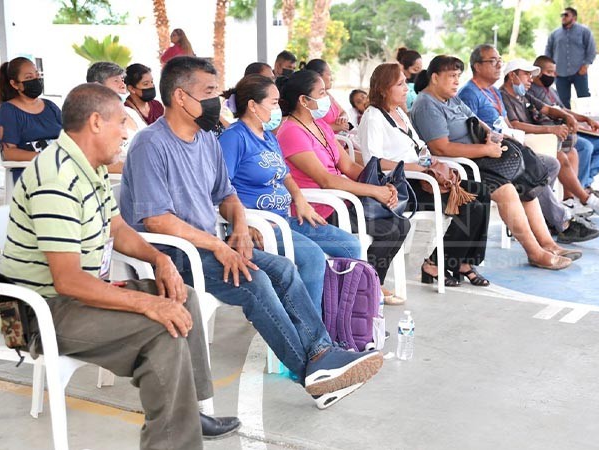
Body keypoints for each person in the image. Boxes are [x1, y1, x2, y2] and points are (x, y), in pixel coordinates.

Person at [119, 56, 384, 409]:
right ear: (181, 97)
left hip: (207, 246)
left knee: (286, 270)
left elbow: (227, 194)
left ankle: (322, 353)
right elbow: (156, 220)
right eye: (209, 91)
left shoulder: (206, 140)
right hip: (170, 254)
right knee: (255, 283)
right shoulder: (151, 144)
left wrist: (240, 227)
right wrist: (219, 244)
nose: (218, 100)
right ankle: (312, 373)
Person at [0, 82, 241, 448]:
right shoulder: (57, 178)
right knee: (161, 330)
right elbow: (67, 281)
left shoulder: (89, 167)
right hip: (34, 313)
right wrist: (147, 303)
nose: (126, 131)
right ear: (96, 122)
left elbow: (118, 228)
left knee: (182, 297)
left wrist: (159, 259)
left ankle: (189, 412)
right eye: (119, 123)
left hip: (71, 298)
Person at [410, 54, 577, 270]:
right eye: (451, 76)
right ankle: (535, 253)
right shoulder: (426, 105)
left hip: (480, 158)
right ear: (434, 77)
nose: (456, 82)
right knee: (507, 190)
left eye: (458, 76)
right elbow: (441, 148)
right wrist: (485, 149)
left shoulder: (450, 98)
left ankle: (547, 244)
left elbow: (475, 120)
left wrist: (492, 136)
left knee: (527, 182)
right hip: (458, 167)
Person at [218, 74, 361, 308]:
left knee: (350, 246)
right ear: (253, 105)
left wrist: (299, 198)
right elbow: (223, 188)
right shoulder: (234, 138)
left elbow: (285, 173)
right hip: (260, 227)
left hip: (286, 219)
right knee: (313, 257)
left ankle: (340, 316)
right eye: (273, 103)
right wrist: (245, 222)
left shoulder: (268, 137)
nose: (278, 109)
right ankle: (312, 333)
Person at [276, 70, 412, 302]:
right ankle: (364, 289)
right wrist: (374, 192)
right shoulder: (290, 131)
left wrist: (382, 185)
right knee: (389, 229)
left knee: (401, 224)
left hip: (342, 198)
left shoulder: (320, 125)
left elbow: (347, 165)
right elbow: (325, 180)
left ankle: (370, 283)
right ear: (303, 100)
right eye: (321, 93)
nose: (327, 98)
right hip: (321, 208)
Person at [358, 62, 491, 286]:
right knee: (471, 205)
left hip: (422, 177)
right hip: (403, 186)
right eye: (399, 84)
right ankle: (437, 263)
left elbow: (418, 148)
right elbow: (374, 162)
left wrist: (432, 162)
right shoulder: (373, 117)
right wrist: (418, 169)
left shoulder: (399, 112)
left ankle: (462, 261)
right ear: (383, 89)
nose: (406, 89)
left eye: (405, 83)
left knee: (482, 193)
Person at [459, 45, 599, 245]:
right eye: (493, 61)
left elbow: (508, 125)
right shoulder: (469, 93)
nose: (499, 64)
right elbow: (470, 131)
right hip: (492, 154)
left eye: (500, 59)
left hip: (510, 147)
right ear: (477, 66)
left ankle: (547, 218)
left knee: (551, 164)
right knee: (535, 171)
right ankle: (563, 223)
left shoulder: (493, 92)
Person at [499, 58, 599, 216]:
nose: (530, 79)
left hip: (535, 140)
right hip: (520, 143)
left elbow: (548, 109)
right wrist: (550, 129)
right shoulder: (504, 96)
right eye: (526, 75)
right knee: (560, 156)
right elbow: (515, 125)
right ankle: (586, 198)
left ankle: (569, 200)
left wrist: (568, 117)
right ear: (512, 76)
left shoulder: (523, 96)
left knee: (572, 152)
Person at [529, 55, 599, 193]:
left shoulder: (552, 91)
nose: (553, 76)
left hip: (570, 129)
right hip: (556, 133)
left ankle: (585, 183)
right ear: (537, 72)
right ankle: (579, 191)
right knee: (585, 147)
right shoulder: (531, 91)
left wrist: (585, 119)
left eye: (554, 72)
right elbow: (546, 114)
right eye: (549, 72)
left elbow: (563, 110)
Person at [0, 56, 61, 181]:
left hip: (60, 168)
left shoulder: (50, 106)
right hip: (32, 175)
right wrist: (45, 157)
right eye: (29, 78)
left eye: (37, 75)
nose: (36, 80)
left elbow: (70, 137)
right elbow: (9, 153)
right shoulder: (8, 111)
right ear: (14, 84)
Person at [86, 61, 145, 172]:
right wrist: (140, 169)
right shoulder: (94, 118)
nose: (122, 85)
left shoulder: (130, 111)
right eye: (116, 81)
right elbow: (96, 162)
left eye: (122, 80)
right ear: (97, 86)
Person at [545, 7, 596, 109]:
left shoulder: (584, 31)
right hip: (560, 73)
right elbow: (548, 52)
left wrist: (585, 65)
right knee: (562, 101)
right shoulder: (554, 34)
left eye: (566, 15)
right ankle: (566, 123)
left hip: (579, 72)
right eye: (562, 15)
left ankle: (586, 122)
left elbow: (591, 50)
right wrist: (550, 69)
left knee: (584, 99)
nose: (563, 17)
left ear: (574, 17)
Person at [303, 59, 351, 134]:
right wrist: (334, 127)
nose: (332, 78)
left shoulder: (328, 95)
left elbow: (343, 112)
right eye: (329, 74)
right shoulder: (310, 99)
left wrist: (343, 118)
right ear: (318, 76)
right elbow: (307, 127)